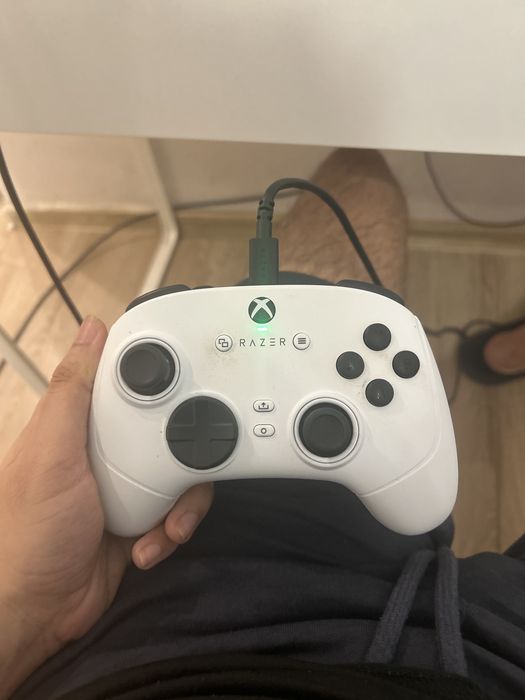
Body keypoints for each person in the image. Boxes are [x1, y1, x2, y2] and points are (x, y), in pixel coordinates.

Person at [1, 150, 524, 700]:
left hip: (126, 625)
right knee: (362, 175)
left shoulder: (54, 589)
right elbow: (423, 506)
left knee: (356, 185)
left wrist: (21, 608)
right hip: (439, 636)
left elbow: (121, 513)